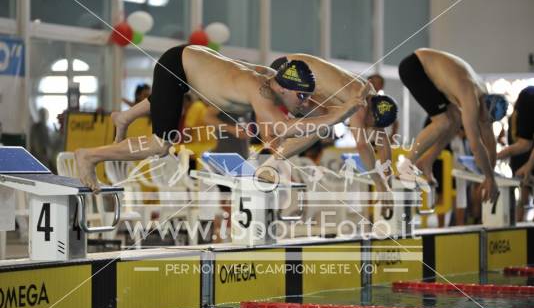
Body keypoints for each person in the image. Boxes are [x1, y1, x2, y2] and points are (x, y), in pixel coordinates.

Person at [75, 45, 361, 191]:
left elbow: (282, 129)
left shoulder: (273, 83)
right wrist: (339, 113)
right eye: (302, 97)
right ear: (284, 88)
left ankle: (123, 117)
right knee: (161, 145)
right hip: (179, 66)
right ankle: (89, 156)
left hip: (191, 64)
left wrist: (326, 112)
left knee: (167, 102)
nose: (305, 102)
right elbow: (284, 129)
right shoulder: (261, 91)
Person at [269, 54, 398, 211]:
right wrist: (380, 184)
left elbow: (383, 142)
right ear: (370, 112)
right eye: (372, 125)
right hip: (289, 70)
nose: (370, 129)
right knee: (320, 127)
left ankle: (274, 157)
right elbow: (363, 145)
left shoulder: (373, 98)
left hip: (295, 69)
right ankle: (272, 161)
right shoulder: (360, 100)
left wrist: (388, 180)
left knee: (326, 118)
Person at [397, 48, 508, 206]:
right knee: (443, 122)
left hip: (426, 68)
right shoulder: (470, 98)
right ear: (482, 105)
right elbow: (476, 145)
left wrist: (491, 177)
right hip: (415, 66)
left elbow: (490, 142)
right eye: (484, 119)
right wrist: (489, 178)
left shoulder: (485, 99)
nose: (484, 123)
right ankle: (406, 165)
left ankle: (427, 161)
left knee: (455, 120)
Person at [497, 86, 534, 221]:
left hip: (522, 159)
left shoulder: (526, 103)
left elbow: (525, 144)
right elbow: (526, 144)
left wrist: (529, 166)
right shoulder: (519, 112)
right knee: (523, 197)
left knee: (524, 197)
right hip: (521, 159)